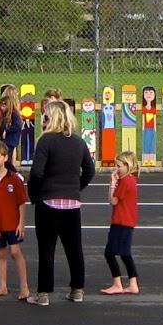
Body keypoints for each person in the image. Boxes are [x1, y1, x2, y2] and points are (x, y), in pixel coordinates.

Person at [27, 97, 94, 307]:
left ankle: (44, 293)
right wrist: (75, 188)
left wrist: (37, 193)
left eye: (45, 116)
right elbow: (89, 170)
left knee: (47, 249)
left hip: (48, 202)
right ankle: (77, 289)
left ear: (51, 117)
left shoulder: (46, 141)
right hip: (72, 203)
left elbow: (36, 173)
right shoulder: (78, 142)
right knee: (74, 248)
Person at [0, 140, 31, 302]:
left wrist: (21, 223)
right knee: (0, 253)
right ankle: (2, 286)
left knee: (15, 252)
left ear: (5, 158)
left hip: (12, 223)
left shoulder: (14, 179)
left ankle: (24, 285)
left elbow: (21, 203)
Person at [100, 150, 141, 295]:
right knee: (124, 253)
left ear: (127, 165)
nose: (117, 169)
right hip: (126, 221)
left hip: (121, 221)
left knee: (110, 253)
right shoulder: (131, 180)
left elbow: (113, 200)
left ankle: (118, 283)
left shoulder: (125, 181)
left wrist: (112, 183)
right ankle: (132, 283)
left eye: (119, 166)